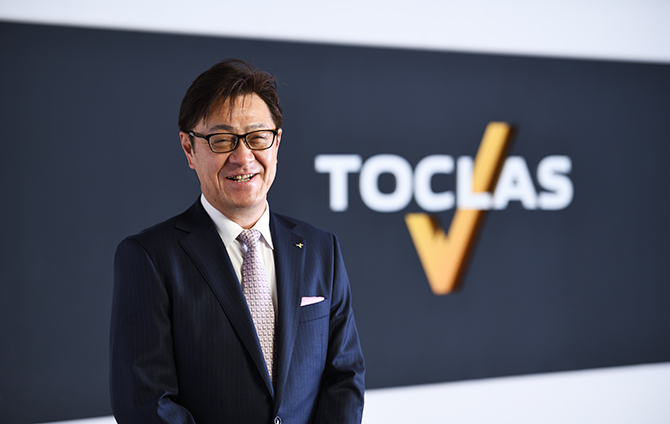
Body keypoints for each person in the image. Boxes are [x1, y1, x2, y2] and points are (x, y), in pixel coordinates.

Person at [109, 59, 365, 424]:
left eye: (257, 137)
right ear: (188, 148)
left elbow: (344, 377)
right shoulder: (149, 257)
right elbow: (147, 404)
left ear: (276, 142)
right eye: (222, 140)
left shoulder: (322, 249)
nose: (243, 157)